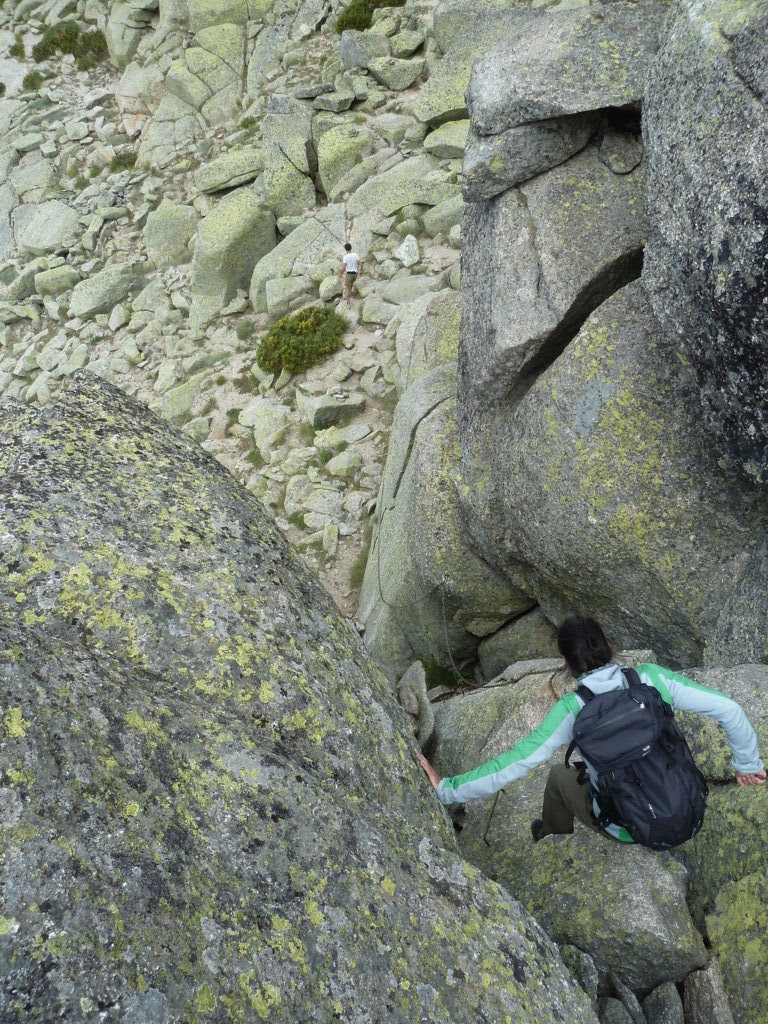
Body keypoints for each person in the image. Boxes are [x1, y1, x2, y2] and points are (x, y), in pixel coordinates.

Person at [414, 615, 765, 843]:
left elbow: (517, 762)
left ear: (566, 664)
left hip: (628, 829)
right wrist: (748, 764)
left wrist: (447, 789)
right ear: (609, 646)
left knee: (558, 777)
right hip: (689, 807)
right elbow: (729, 709)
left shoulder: (572, 709)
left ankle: (551, 832)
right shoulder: (651, 680)